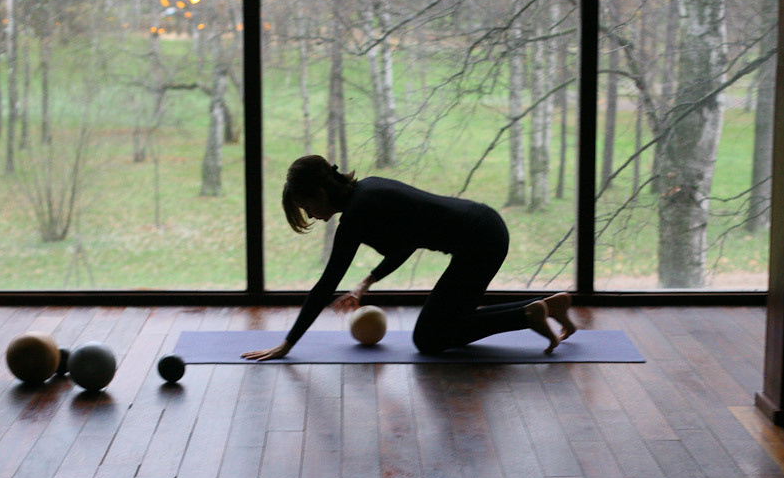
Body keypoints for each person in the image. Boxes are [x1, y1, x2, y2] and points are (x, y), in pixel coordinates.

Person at [242, 155, 578, 362]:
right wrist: (365, 284)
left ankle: (528, 313)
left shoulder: (357, 216)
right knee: (447, 324)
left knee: (429, 339)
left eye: (308, 208)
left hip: (480, 241)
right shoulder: (367, 192)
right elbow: (407, 244)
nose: (312, 216)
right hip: (484, 230)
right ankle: (545, 307)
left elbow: (326, 284)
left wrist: (288, 343)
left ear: (319, 193)